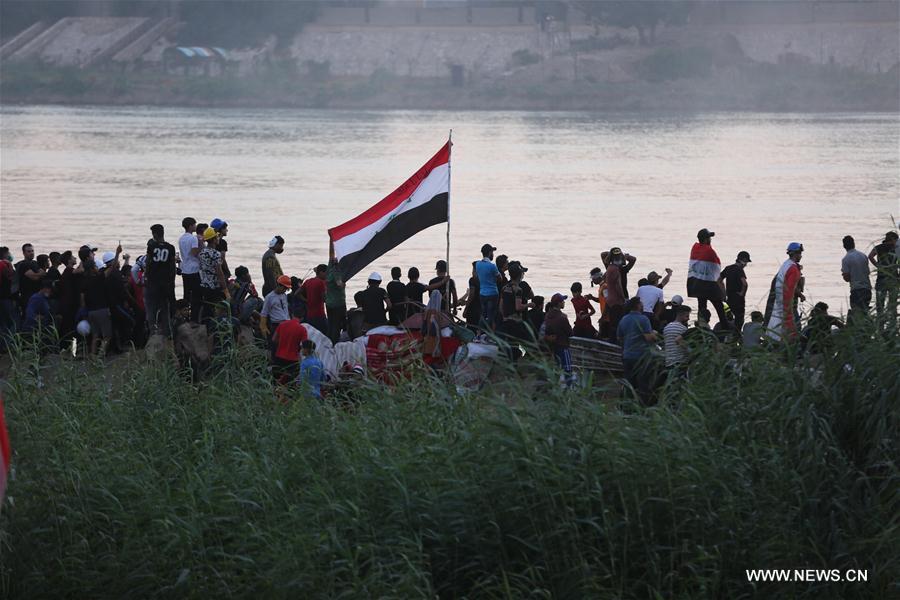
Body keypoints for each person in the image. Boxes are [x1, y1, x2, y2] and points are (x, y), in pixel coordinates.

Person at [617, 297, 658, 405]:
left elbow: (620, 338)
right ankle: (643, 407)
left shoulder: (624, 319)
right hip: (641, 356)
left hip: (627, 356)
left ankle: (627, 406)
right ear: (637, 306)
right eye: (641, 303)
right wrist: (655, 335)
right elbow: (649, 338)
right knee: (643, 383)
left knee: (629, 383)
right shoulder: (643, 319)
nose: (642, 305)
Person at [687, 229, 731, 329]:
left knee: (701, 307)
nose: (711, 239)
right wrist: (723, 291)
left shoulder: (695, 248)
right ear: (706, 239)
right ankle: (725, 328)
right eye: (709, 238)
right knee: (719, 307)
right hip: (708, 285)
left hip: (697, 284)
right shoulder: (709, 251)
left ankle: (702, 327)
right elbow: (716, 268)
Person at [764, 242, 804, 342]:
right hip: (785, 306)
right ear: (796, 253)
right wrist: (788, 310)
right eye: (800, 253)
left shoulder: (786, 264)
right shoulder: (793, 269)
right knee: (790, 332)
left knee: (775, 329)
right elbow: (789, 290)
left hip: (778, 302)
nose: (801, 256)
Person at [144, 224, 177, 338]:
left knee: (151, 308)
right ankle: (167, 334)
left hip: (153, 282)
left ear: (154, 234)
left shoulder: (152, 247)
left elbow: (148, 263)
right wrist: (172, 281)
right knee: (165, 308)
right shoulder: (170, 247)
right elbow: (173, 266)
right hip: (165, 283)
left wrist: (146, 276)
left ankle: (152, 333)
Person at [543, 293, 577, 387]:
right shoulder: (562, 317)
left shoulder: (548, 316)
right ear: (558, 303)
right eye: (562, 301)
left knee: (557, 368)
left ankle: (555, 387)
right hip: (563, 345)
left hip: (553, 346)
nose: (564, 302)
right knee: (568, 369)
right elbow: (570, 333)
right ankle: (569, 388)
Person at [81, 259, 112, 356]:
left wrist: (84, 312)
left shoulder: (84, 282)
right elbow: (112, 267)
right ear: (92, 269)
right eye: (95, 266)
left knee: (95, 335)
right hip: (102, 310)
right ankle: (100, 356)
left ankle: (92, 355)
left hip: (90, 312)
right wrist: (117, 254)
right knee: (107, 336)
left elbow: (82, 300)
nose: (96, 268)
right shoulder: (98, 278)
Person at [271, 304, 308, 384]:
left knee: (276, 381)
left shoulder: (282, 324)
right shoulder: (302, 329)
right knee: (289, 384)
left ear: (292, 314)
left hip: (279, 357)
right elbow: (305, 346)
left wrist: (282, 343)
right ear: (302, 318)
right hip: (292, 361)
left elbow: (274, 339)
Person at [198, 227, 230, 320]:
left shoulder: (202, 252)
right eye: (216, 237)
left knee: (207, 307)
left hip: (204, 284)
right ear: (214, 239)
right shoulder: (216, 254)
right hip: (214, 286)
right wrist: (225, 289)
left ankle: (206, 325)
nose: (218, 239)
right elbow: (219, 273)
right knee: (221, 306)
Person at [869, 230, 899, 328]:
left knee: (880, 305)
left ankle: (880, 327)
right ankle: (892, 326)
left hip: (881, 278)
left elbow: (870, 256)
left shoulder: (879, 247)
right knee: (892, 305)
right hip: (894, 279)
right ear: (893, 239)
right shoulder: (896, 248)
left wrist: (878, 266)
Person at [719, 251, 751, 332]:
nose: (746, 265)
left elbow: (719, 280)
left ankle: (728, 335)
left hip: (729, 298)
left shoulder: (728, 268)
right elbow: (745, 284)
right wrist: (742, 294)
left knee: (728, 319)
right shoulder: (739, 269)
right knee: (739, 320)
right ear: (743, 260)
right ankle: (736, 336)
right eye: (746, 262)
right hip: (738, 299)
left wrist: (723, 293)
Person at [178, 217, 202, 322]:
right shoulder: (193, 239)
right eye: (194, 225)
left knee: (186, 294)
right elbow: (194, 253)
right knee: (196, 296)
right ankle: (194, 319)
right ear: (190, 226)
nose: (195, 227)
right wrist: (201, 245)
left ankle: (184, 316)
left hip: (185, 269)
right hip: (194, 269)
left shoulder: (181, 238)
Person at [841, 235, 871, 314]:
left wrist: (843, 274)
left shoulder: (846, 259)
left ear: (844, 246)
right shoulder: (863, 256)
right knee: (865, 313)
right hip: (867, 288)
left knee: (856, 313)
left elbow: (847, 278)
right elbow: (868, 272)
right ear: (854, 244)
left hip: (856, 289)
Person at [261, 274, 292, 347]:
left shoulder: (284, 295)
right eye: (284, 288)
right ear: (279, 285)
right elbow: (264, 313)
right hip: (277, 324)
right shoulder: (269, 297)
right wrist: (263, 326)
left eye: (286, 289)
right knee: (277, 346)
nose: (285, 290)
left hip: (287, 323)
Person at [15, 243, 46, 316]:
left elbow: (43, 273)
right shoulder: (23, 264)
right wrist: (39, 274)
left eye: (32, 251)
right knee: (29, 316)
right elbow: (35, 277)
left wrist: (38, 274)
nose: (31, 253)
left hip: (36, 294)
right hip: (27, 296)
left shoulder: (35, 263)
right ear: (24, 253)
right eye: (29, 251)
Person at [475, 243, 501, 330]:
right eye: (492, 252)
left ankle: (478, 335)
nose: (493, 255)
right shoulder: (492, 266)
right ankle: (489, 336)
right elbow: (500, 278)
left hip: (482, 293)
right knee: (491, 316)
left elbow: (478, 278)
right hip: (493, 293)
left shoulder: (477, 264)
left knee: (483, 314)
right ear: (490, 253)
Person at [22, 277, 55, 342]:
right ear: (45, 288)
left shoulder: (44, 299)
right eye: (50, 290)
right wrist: (41, 318)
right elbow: (30, 315)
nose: (51, 292)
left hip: (40, 332)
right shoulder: (36, 298)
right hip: (32, 332)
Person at [604, 248, 626, 343]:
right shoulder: (616, 270)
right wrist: (623, 298)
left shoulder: (609, 268)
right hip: (616, 301)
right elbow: (618, 286)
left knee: (612, 323)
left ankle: (611, 340)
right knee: (617, 323)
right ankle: (615, 342)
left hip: (609, 300)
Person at [663, 304, 692, 376]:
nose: (688, 319)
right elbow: (684, 345)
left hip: (669, 362)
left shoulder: (666, 328)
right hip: (680, 362)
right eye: (687, 316)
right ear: (681, 315)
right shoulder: (683, 329)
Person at [325, 250, 347, 343]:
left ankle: (329, 343)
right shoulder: (337, 271)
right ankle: (334, 344)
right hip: (338, 304)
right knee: (337, 326)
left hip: (329, 303)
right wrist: (343, 284)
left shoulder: (329, 269)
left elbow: (331, 253)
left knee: (331, 324)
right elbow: (339, 284)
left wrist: (331, 238)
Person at [301, 264, 329, 335]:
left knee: (312, 335)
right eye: (326, 273)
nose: (327, 275)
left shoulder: (308, 281)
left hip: (309, 316)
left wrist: (306, 300)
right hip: (319, 315)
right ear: (321, 273)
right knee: (325, 335)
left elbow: (297, 293)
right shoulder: (321, 283)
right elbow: (325, 299)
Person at [0, 247, 18, 346]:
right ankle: (7, 345)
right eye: (9, 253)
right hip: (5, 298)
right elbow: (11, 277)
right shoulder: (3, 264)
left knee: (2, 323)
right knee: (13, 322)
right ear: (5, 254)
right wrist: (10, 264)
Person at [461, 261, 481, 330]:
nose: (472, 272)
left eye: (473, 270)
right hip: (482, 307)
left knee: (471, 328)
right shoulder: (485, 280)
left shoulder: (472, 280)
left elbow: (472, 294)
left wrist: (466, 308)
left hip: (473, 308)